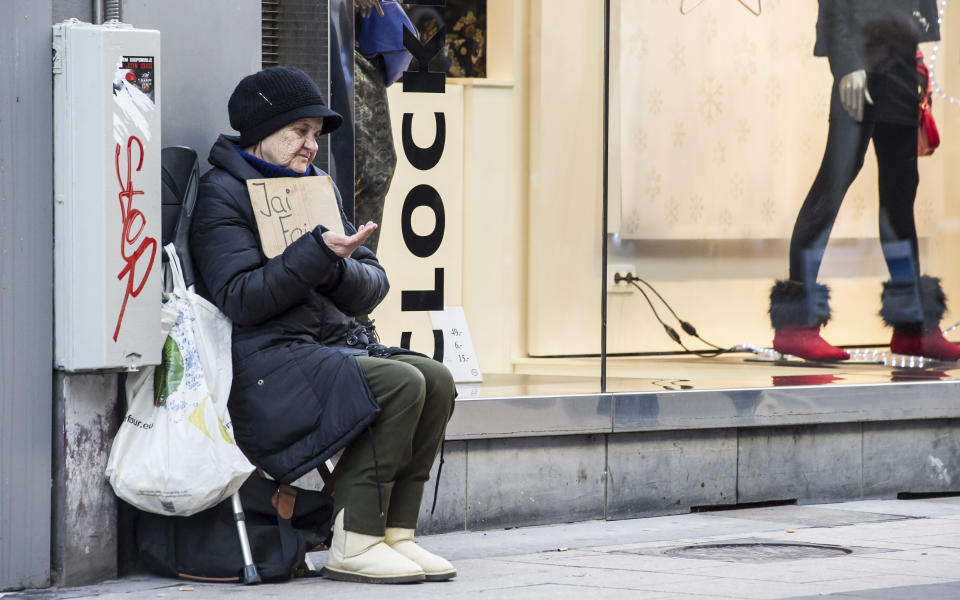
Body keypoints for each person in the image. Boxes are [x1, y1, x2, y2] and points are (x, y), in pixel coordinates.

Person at [190, 66, 457, 584]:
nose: (311, 146)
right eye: (299, 132)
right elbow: (241, 300)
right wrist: (317, 255)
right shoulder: (222, 195)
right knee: (399, 384)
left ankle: (395, 533)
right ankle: (354, 540)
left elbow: (373, 284)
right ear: (261, 132)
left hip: (326, 347)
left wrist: (332, 263)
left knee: (438, 380)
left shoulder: (315, 188)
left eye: (315, 134)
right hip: (264, 366)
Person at [769, 0, 960, 361]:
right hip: (861, 67)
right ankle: (796, 325)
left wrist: (916, 64)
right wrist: (846, 64)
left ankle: (912, 326)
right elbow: (836, 8)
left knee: (900, 201)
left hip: (902, 71)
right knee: (831, 189)